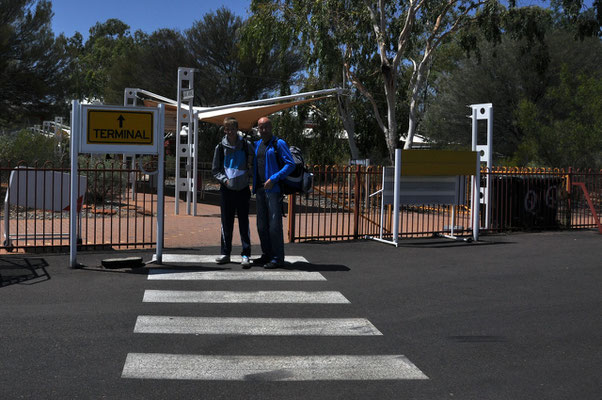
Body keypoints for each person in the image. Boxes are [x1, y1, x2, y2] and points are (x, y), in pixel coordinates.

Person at [252, 117, 296, 269]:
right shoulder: (257, 145)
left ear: (271, 127)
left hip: (273, 191)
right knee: (261, 225)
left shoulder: (279, 143)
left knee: (274, 226)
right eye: (260, 127)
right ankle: (267, 255)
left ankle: (277, 258)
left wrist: (274, 178)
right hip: (259, 190)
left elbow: (290, 164)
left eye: (265, 127)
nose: (262, 130)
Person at [212, 117, 253, 267]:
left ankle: (246, 254)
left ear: (237, 129)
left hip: (242, 190)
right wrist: (225, 180)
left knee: (244, 223)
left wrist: (247, 176)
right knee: (226, 222)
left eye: (232, 129)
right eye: (227, 129)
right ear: (225, 130)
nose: (230, 132)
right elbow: (215, 170)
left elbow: (252, 164)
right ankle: (225, 253)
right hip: (227, 190)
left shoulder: (246, 145)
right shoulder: (220, 147)